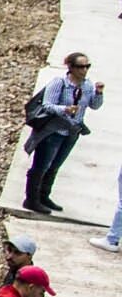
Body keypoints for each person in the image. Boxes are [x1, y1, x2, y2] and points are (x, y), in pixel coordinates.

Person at [23, 51, 104, 213]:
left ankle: (44, 196)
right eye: (81, 67)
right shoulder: (59, 83)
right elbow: (47, 105)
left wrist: (99, 93)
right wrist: (64, 109)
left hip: (71, 132)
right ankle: (31, 199)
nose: (84, 70)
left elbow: (94, 105)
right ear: (71, 67)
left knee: (54, 166)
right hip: (53, 131)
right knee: (41, 166)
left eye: (87, 66)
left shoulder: (87, 85)